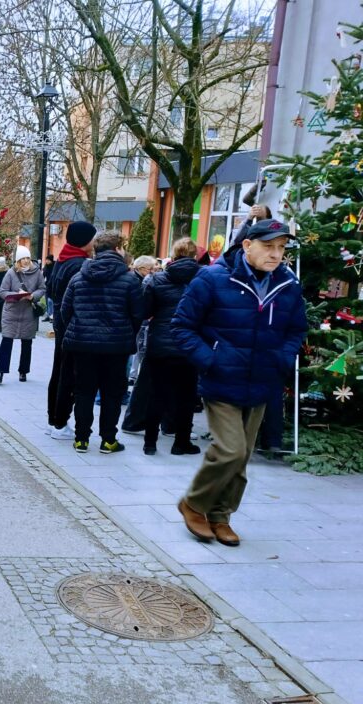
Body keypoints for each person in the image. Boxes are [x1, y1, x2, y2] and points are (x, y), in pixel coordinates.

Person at [171, 219, 306, 546]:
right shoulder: (213, 279)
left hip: (262, 380)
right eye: (268, 247)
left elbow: (296, 330)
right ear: (247, 245)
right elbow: (181, 327)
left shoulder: (287, 284)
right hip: (223, 379)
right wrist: (211, 360)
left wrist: (282, 359)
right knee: (230, 450)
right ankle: (194, 503)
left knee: (242, 457)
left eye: (281, 248)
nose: (276, 255)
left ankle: (221, 516)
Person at [60, 231, 142, 454]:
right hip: (116, 346)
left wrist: (79, 328)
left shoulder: (79, 276)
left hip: (83, 344)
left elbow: (65, 310)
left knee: (84, 392)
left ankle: (81, 439)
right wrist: (126, 333)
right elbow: (138, 313)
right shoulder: (129, 279)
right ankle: (108, 440)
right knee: (112, 393)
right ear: (117, 249)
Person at [141, 237, 202, 456]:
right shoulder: (202, 279)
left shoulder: (156, 279)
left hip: (160, 344)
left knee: (156, 394)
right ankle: (181, 442)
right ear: (195, 255)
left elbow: (145, 312)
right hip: (190, 345)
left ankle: (150, 443)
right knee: (186, 397)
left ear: (173, 255)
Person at [46, 221, 96, 439]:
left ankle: (53, 419)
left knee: (59, 372)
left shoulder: (62, 259)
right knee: (68, 375)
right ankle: (59, 422)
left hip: (61, 322)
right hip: (71, 326)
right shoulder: (79, 264)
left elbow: (51, 290)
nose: (94, 242)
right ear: (84, 239)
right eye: (92, 238)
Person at [0, 248, 46, 384]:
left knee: (27, 343)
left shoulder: (37, 273)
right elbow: (3, 291)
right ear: (18, 260)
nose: (26, 261)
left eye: (27, 258)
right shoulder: (11, 273)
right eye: (23, 259)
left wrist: (32, 296)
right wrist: (14, 296)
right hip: (11, 311)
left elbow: (42, 288)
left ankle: (23, 371)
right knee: (6, 341)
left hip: (28, 312)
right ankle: (1, 371)